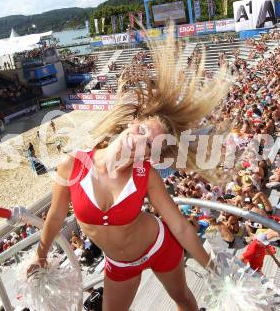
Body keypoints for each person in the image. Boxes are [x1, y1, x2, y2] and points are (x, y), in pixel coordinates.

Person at [28, 32, 229, 311]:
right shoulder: (71, 165)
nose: (139, 145)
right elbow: (55, 216)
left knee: (183, 299)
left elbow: (180, 226)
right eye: (143, 132)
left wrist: (211, 267)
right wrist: (40, 256)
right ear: (133, 120)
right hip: (120, 265)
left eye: (150, 147)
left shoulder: (145, 174)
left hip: (160, 246)